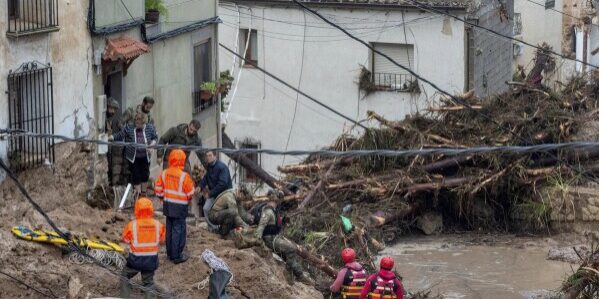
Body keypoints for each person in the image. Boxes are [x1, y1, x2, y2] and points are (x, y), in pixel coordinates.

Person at [250, 190, 314, 285]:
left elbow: (273, 225)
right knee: (291, 249)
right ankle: (288, 273)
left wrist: (283, 221)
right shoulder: (268, 211)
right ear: (277, 199)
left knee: (289, 255)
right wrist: (258, 243)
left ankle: (299, 275)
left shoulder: (274, 210)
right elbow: (261, 228)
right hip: (269, 240)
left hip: (274, 237)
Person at [154, 149, 195, 264]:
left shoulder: (165, 173)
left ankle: (170, 253)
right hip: (180, 206)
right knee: (179, 229)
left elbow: (157, 189)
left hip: (167, 205)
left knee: (170, 228)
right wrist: (186, 199)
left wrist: (163, 198)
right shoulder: (184, 176)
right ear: (182, 160)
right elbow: (190, 192)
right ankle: (177, 256)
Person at [120, 197, 165, 299]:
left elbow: (125, 240)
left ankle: (125, 296)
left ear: (137, 209)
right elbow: (162, 241)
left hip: (135, 260)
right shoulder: (158, 225)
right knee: (148, 283)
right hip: (151, 260)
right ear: (151, 209)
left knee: (124, 276)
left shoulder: (132, 225)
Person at [201, 150, 251, 235]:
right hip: (216, 195)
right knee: (208, 209)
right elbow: (206, 178)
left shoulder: (222, 167)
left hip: (220, 192)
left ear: (215, 156)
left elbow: (223, 184)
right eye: (207, 156)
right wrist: (200, 186)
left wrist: (249, 219)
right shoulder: (209, 166)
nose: (208, 158)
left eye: (210, 155)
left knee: (233, 212)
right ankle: (215, 229)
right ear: (240, 192)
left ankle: (222, 230)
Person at [110, 112, 158, 196]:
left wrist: (152, 145)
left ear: (143, 122)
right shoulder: (130, 127)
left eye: (138, 123)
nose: (136, 124)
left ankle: (143, 193)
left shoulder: (149, 127)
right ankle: (138, 194)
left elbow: (155, 137)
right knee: (136, 175)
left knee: (145, 175)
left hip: (145, 156)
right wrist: (111, 137)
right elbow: (121, 134)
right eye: (135, 122)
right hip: (133, 156)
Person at [105, 98, 124, 186]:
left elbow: (123, 132)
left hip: (116, 150)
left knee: (116, 172)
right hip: (106, 150)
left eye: (114, 109)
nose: (112, 111)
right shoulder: (104, 119)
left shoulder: (117, 120)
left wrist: (114, 136)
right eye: (111, 108)